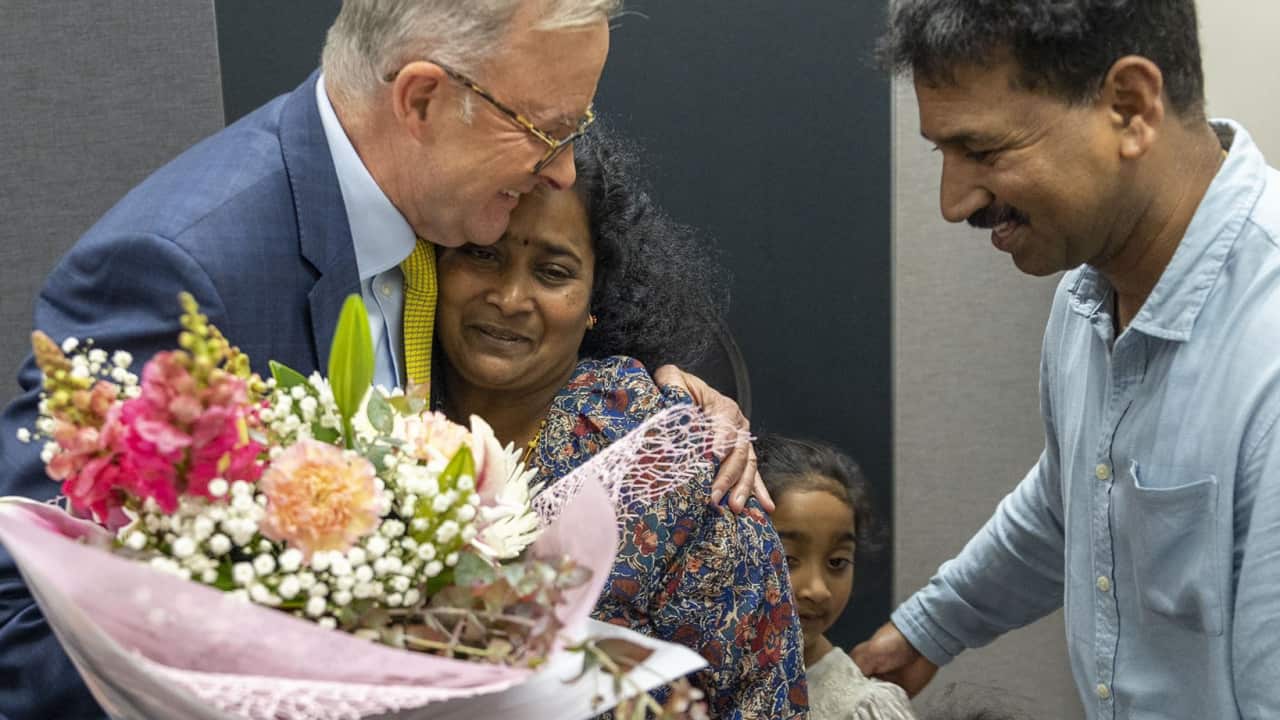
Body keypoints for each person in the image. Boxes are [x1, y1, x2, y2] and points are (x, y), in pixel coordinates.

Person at [0, 3, 764, 718]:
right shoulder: (180, 270)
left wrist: (675, 393)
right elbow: (29, 620)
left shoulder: (433, 211)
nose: (562, 170)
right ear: (422, 101)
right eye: (546, 128)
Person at [853, 1, 1280, 717]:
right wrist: (928, 631)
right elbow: (1077, 500)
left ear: (1131, 108)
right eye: (943, 154)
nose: (954, 201)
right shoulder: (1090, 296)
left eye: (984, 152)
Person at [432, 131, 808, 718]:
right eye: (483, 253)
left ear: (593, 300)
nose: (509, 297)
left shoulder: (682, 471)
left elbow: (761, 698)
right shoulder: (373, 420)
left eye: (552, 272)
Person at [756, 434, 916, 720]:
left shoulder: (862, 709)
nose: (818, 590)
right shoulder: (678, 682)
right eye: (788, 559)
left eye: (837, 562)